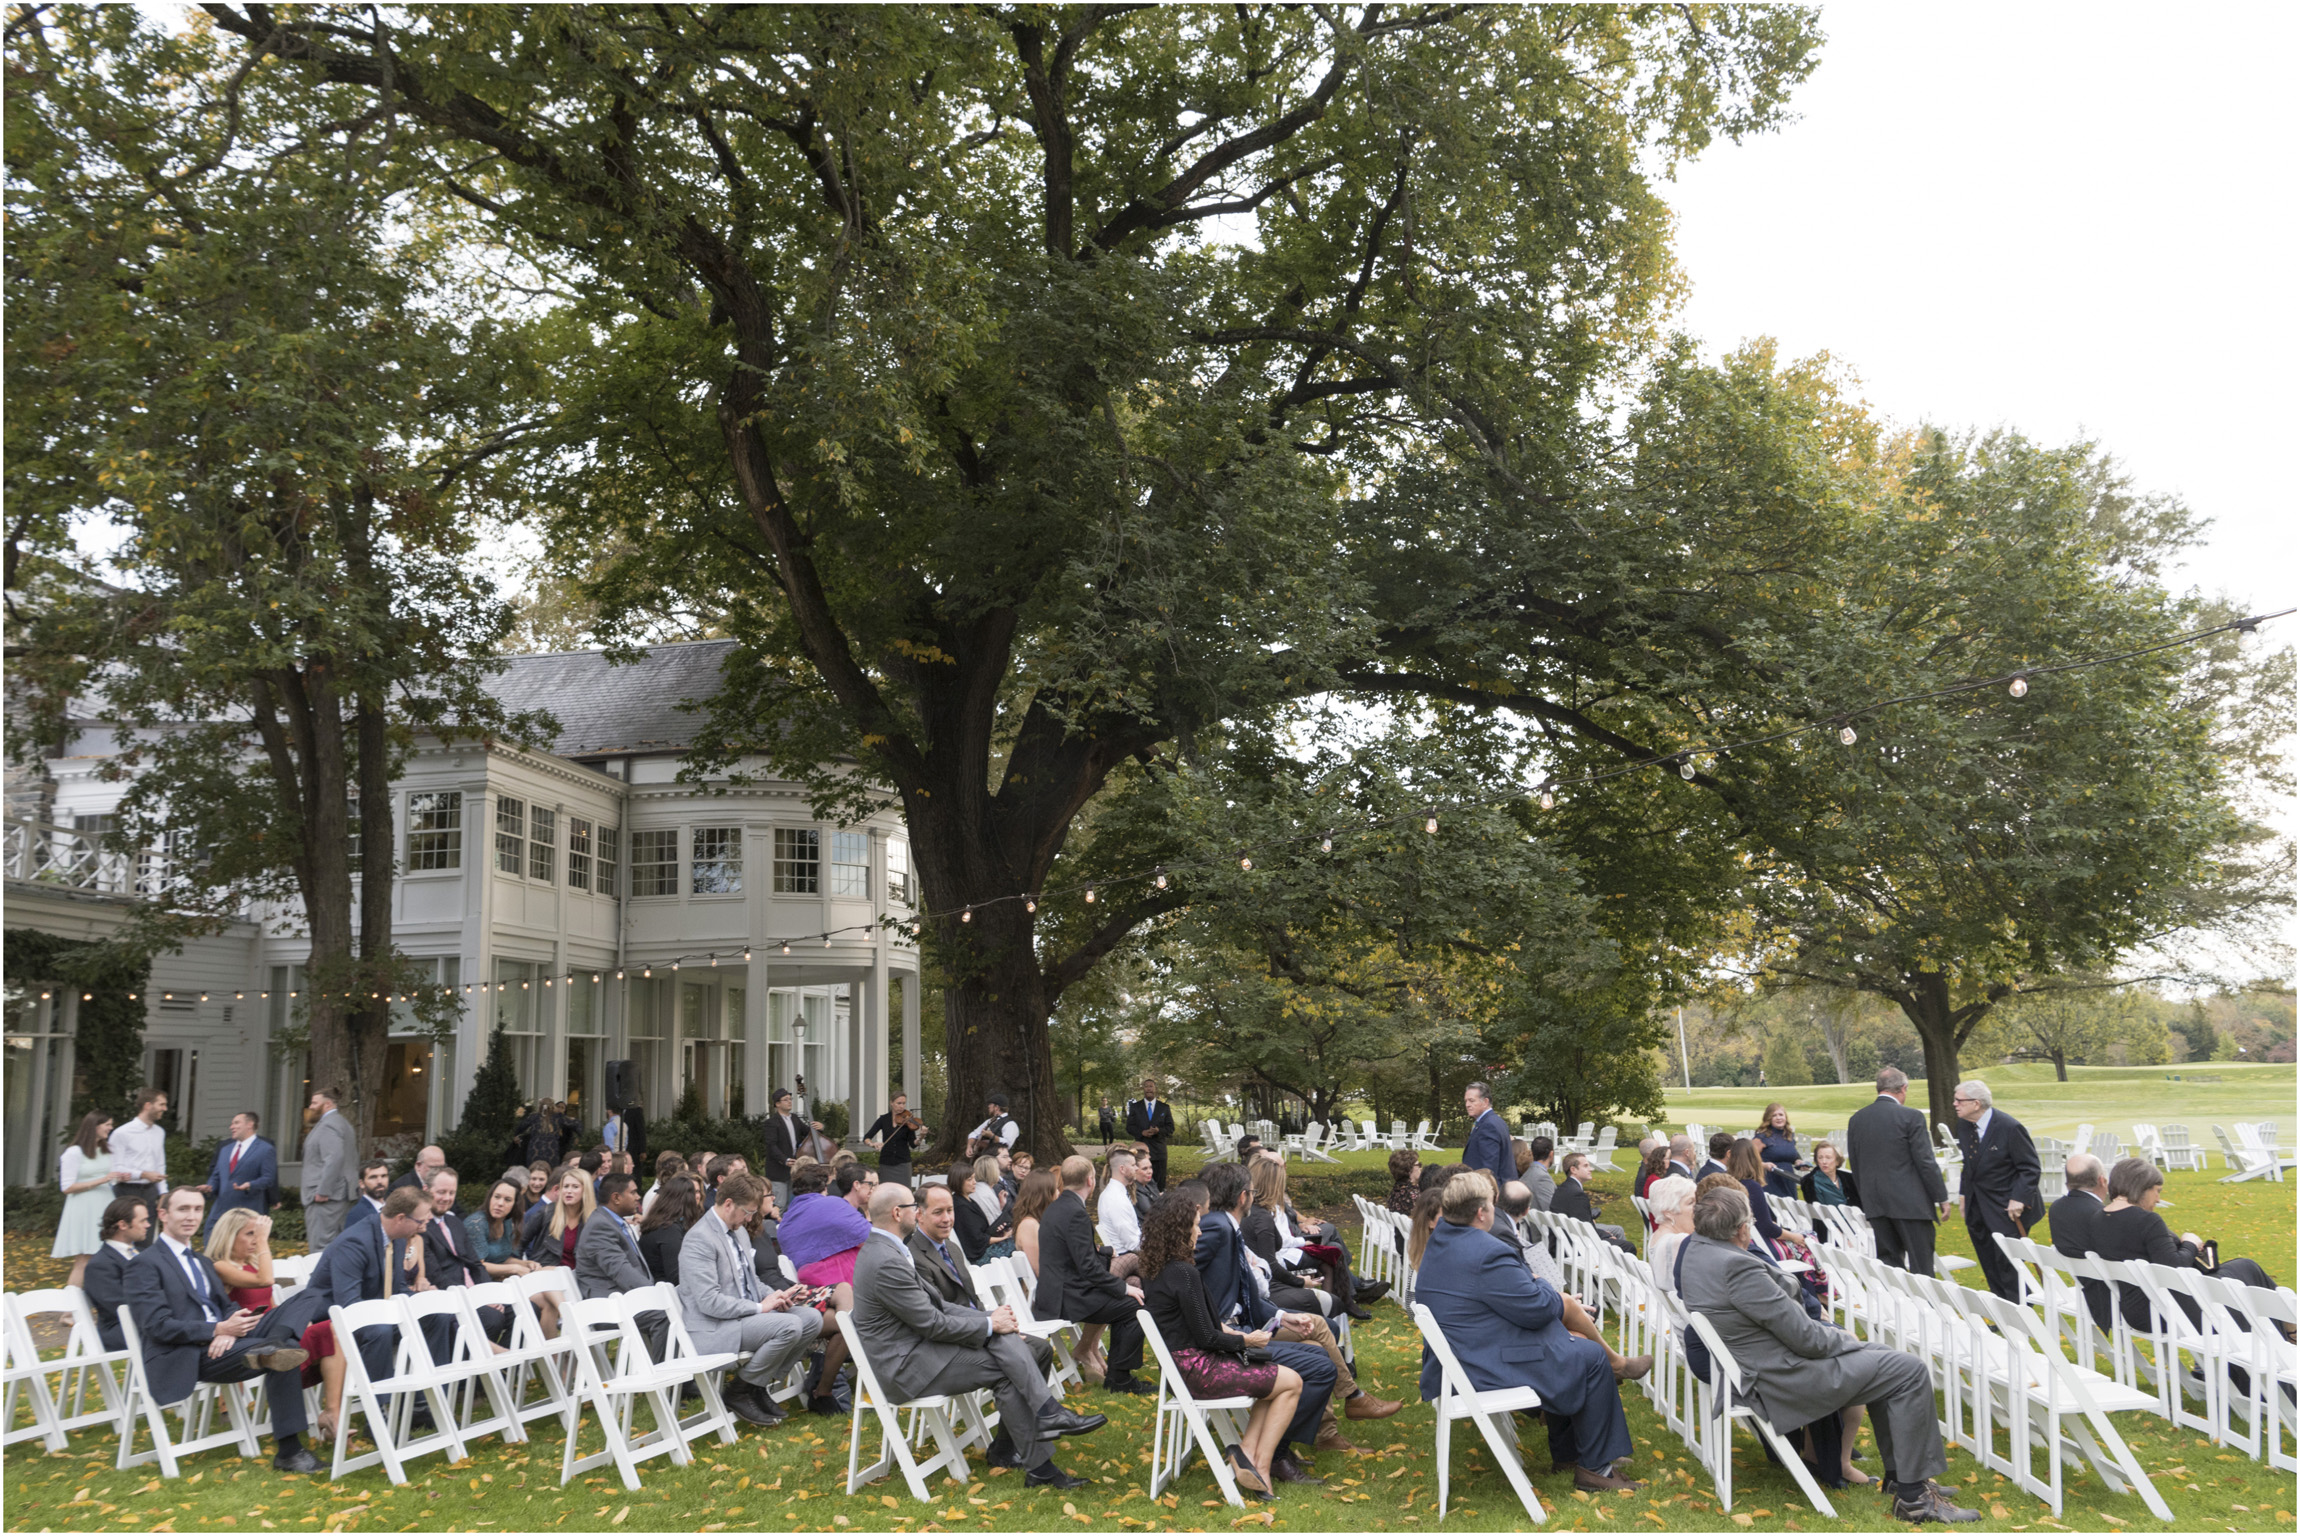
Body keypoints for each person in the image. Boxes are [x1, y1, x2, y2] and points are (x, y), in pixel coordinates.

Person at [1676, 1182, 1976, 1523]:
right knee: (1908, 1369)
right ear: (1743, 1228)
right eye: (1751, 1222)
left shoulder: (1697, 1250)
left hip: (1764, 1364)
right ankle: (1913, 1497)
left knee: (1889, 1364)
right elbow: (1808, 1339)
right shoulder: (1737, 1268)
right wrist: (1852, 1341)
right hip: (1783, 1378)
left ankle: (1903, 1478)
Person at [851, 1183, 1106, 1487]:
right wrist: (990, 1325)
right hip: (906, 1368)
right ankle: (1044, 1439)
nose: (916, 1212)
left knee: (1011, 1345)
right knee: (1008, 1364)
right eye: (913, 1207)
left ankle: (1041, 1446)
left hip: (922, 1352)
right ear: (897, 1213)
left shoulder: (890, 1249)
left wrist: (989, 1318)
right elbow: (932, 1323)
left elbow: (940, 1305)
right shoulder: (887, 1260)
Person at [1412, 1170, 1640, 1492]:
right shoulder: (1486, 1251)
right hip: (1480, 1363)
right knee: (1588, 1356)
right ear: (1481, 1212)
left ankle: (1571, 1455)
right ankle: (1596, 1469)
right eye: (1493, 1205)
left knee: (1570, 1346)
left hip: (1463, 1354)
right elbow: (1538, 1310)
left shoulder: (1441, 1241)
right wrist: (1543, 1283)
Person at [125, 1187, 321, 1473]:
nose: (192, 1216)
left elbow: (225, 1305)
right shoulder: (144, 1264)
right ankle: (290, 1452)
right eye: (183, 1209)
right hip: (190, 1353)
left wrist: (230, 1326)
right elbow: (157, 1326)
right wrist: (216, 1330)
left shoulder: (202, 1262)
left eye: (197, 1209)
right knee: (283, 1356)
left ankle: (276, 1341)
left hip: (228, 1339)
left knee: (310, 1295)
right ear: (163, 1214)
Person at [1140, 1189, 1305, 1500]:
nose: (1200, 1231)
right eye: (1195, 1224)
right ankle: (1262, 1466)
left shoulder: (1156, 1269)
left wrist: (1240, 1339)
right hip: (1199, 1370)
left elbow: (1200, 1328)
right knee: (1292, 1381)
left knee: (1275, 1380)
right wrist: (1247, 1339)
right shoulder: (1184, 1273)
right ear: (1179, 1228)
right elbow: (1207, 1337)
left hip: (1184, 1367)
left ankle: (1247, 1455)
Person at [1190, 1163, 1339, 1484]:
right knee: (1320, 1366)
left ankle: (1277, 1449)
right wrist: (1213, 1322)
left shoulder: (1225, 1225)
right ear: (1243, 1196)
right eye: (1253, 1193)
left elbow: (1244, 1287)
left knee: (1317, 1350)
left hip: (1242, 1328)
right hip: (1224, 1340)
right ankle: (1276, 1455)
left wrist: (1283, 1317)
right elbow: (1182, 1271)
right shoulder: (1217, 1227)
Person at [680, 1171, 825, 1428]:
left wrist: (773, 1295)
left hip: (744, 1317)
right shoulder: (699, 1239)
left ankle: (757, 1386)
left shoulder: (739, 1232)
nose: (750, 1218)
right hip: (714, 1327)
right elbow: (709, 1302)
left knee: (812, 1318)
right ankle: (740, 1390)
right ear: (728, 1204)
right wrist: (760, 1307)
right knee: (788, 1326)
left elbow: (749, 1280)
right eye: (747, 1212)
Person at [2093, 1155, 2283, 1337]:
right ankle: (2290, 1330)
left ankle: (2288, 1330)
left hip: (2137, 1309)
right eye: (2157, 1191)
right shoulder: (2147, 1221)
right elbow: (2175, 1268)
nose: (2158, 1199)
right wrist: (2190, 1243)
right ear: (2141, 1187)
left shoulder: (2099, 1219)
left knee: (2242, 1269)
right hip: (2164, 1308)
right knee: (2247, 1269)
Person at [209, 1208, 348, 1440]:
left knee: (331, 1328)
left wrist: (298, 1321)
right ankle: (330, 1415)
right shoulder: (221, 1266)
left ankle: (332, 1412)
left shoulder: (253, 1263)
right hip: (250, 1338)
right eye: (249, 1234)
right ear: (230, 1235)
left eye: (258, 1234)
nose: (255, 1240)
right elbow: (266, 1280)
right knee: (327, 1329)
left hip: (274, 1333)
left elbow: (273, 1307)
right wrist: (264, 1241)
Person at [1037, 1156, 1152, 1397]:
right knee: (1135, 1304)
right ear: (1090, 1180)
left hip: (1061, 1290)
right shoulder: (1075, 1212)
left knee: (1132, 1286)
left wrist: (1107, 1254)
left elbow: (1078, 1256)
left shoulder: (1057, 1207)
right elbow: (1088, 1268)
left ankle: (1115, 1371)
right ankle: (1120, 1379)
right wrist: (1122, 1289)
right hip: (1069, 1297)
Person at [1843, 1067, 1949, 1277]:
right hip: (1911, 1204)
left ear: (1878, 1088)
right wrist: (1941, 1197)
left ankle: (1897, 1308)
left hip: (1875, 1203)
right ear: (1903, 1088)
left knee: (1890, 1267)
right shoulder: (1911, 1117)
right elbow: (1925, 1161)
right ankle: (1925, 1308)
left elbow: (1855, 1164)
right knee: (1921, 1266)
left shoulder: (1857, 1119)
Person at [1947, 1080, 2041, 1302]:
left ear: (1976, 1103)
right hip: (1977, 1206)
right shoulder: (1964, 1125)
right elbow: (1970, 1165)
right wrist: (1963, 1195)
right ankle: (2002, 1312)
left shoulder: (2009, 1127)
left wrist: (2018, 1198)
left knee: (2009, 1264)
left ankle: (2021, 1315)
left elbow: (2030, 1168)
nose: (1954, 1104)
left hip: (2007, 1209)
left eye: (1959, 1100)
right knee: (1989, 1262)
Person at [577, 1172, 667, 1359]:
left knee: (676, 1307)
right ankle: (665, 1379)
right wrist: (657, 1295)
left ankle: (680, 1377)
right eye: (633, 1192)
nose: (638, 1197)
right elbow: (622, 1272)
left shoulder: (613, 1222)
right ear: (616, 1198)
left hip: (624, 1299)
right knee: (664, 1315)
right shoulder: (599, 1227)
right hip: (606, 1307)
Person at [2046, 1152, 2111, 1328]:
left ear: (2068, 1183)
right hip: (2108, 1295)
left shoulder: (2057, 1209)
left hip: (2083, 1284)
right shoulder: (2100, 1214)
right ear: (2102, 1181)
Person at [55, 1110, 121, 1284]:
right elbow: (67, 1187)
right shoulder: (74, 1153)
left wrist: (118, 1177)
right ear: (95, 1126)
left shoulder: (107, 1150)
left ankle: (97, 1303)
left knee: (104, 1258)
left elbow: (110, 1178)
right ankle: (69, 1310)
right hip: (83, 1209)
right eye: (107, 1125)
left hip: (105, 1205)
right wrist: (101, 1180)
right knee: (83, 1260)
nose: (110, 1128)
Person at [84, 1195, 152, 1351]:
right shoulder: (100, 1265)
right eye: (142, 1221)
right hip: (121, 1330)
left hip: (150, 1323)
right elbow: (120, 1307)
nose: (148, 1225)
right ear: (122, 1224)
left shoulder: (144, 1254)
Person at [197, 1110, 279, 1234]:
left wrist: (250, 1185)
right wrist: (210, 1187)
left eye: (236, 1123)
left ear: (250, 1124)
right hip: (221, 1209)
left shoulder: (265, 1149)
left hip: (248, 1209)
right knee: (211, 1244)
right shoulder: (225, 1149)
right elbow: (217, 1175)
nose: (231, 1127)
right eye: (232, 1124)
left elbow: (268, 1178)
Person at [296, 1087, 357, 1249]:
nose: (311, 1106)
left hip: (326, 1198)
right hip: (338, 1195)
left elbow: (334, 1157)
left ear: (328, 1104)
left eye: (315, 1103)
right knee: (337, 1246)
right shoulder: (343, 1124)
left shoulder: (328, 1125)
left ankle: (322, 1275)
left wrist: (323, 1190)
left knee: (320, 1247)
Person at [1727, 1138, 1807, 1257]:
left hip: (1737, 1242)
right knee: (1808, 1240)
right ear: (1754, 1159)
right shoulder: (1751, 1186)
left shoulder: (1728, 1182)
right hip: (1758, 1245)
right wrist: (1793, 1236)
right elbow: (1766, 1227)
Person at [109, 1086, 172, 1238]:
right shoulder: (122, 1133)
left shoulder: (159, 1132)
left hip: (150, 1191)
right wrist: (142, 1174)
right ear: (148, 1105)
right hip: (126, 1191)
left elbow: (160, 1164)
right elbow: (114, 1168)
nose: (165, 1108)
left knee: (146, 1236)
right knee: (124, 1236)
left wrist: (163, 1193)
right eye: (161, 1104)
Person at [1552, 1152, 1636, 1253]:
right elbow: (1585, 1229)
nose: (1590, 1169)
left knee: (1616, 1236)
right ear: (1573, 1170)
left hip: (1566, 1241)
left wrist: (1604, 1234)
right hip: (1576, 1246)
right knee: (1629, 1247)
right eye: (1585, 1166)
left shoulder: (1563, 1188)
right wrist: (1606, 1235)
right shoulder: (1577, 1195)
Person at [527, 1166, 597, 1268]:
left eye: (575, 1187)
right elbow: (520, 1242)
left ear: (586, 1190)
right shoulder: (546, 1212)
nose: (569, 1191)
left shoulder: (595, 1219)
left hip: (579, 1278)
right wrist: (527, 1265)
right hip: (548, 1275)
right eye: (565, 1186)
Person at [638, 1173, 701, 1284]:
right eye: (693, 1193)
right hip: (664, 1294)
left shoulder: (664, 1223)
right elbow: (676, 1276)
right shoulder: (668, 1229)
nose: (697, 1197)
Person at [950, 1160, 1014, 1262]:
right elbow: (978, 1240)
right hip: (979, 1256)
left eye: (974, 1178)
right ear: (959, 1181)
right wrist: (1004, 1237)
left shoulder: (968, 1201)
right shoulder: (961, 1206)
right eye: (970, 1179)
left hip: (983, 1249)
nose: (974, 1182)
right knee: (1016, 1245)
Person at [1098, 1149, 1146, 1282]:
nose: (1137, 1168)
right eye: (1133, 1165)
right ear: (1122, 1169)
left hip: (1127, 1256)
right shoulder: (1116, 1198)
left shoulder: (1115, 1193)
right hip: (1125, 1257)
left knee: (1135, 1283)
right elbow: (1132, 1243)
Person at [863, 1093, 929, 1190]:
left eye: (904, 1103)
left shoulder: (908, 1121)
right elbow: (867, 1137)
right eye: (899, 1103)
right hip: (886, 1163)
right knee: (886, 1192)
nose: (902, 1106)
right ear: (891, 1103)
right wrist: (872, 1144)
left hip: (903, 1163)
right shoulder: (883, 1119)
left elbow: (913, 1144)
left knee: (904, 1192)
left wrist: (921, 1137)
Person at [763, 1088, 813, 1206]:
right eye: (786, 1100)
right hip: (778, 1170)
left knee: (792, 1204)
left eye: (790, 1099)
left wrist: (819, 1127)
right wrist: (785, 1160)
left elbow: (808, 1133)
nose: (789, 1102)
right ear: (777, 1104)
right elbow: (771, 1145)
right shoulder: (771, 1122)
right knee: (779, 1205)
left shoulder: (795, 1118)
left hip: (795, 1168)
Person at [1122, 1079, 1175, 1190]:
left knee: (1160, 1184)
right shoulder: (1135, 1107)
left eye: (1151, 1086)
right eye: (1146, 1086)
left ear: (1155, 1089)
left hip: (1159, 1151)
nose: (1149, 1088)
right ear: (1143, 1089)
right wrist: (1141, 1132)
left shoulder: (1164, 1108)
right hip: (1141, 1151)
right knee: (1141, 1184)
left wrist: (1158, 1131)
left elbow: (1171, 1128)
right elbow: (1129, 1127)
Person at [1461, 1080, 1513, 1189]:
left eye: (1471, 1101)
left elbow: (1488, 1168)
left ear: (1485, 1102)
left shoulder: (1488, 1125)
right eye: (1466, 1101)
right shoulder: (1494, 1121)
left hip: (1489, 1190)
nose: (1467, 1105)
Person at [1754, 1103, 1803, 1197]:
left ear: (1785, 1117)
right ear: (1768, 1118)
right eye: (1774, 1115)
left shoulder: (1789, 1135)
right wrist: (1764, 1165)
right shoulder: (1762, 1137)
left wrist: (1798, 1161)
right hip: (1770, 1181)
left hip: (1788, 1180)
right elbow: (1747, 1159)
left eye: (1781, 1115)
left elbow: (1792, 1155)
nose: (1778, 1118)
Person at [1799, 1140, 1858, 1210]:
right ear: (1817, 1161)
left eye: (1828, 1157)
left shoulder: (1848, 1178)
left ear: (1837, 1161)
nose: (1824, 1162)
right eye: (1820, 1158)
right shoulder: (1811, 1182)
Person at [343, 1160, 392, 1232]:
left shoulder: (393, 1208)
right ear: (362, 1183)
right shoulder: (357, 1214)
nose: (380, 1181)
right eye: (373, 1177)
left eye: (383, 1176)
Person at [968, 1090, 1023, 1155]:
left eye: (990, 1104)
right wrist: (969, 1146)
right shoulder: (990, 1121)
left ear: (997, 1107)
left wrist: (992, 1136)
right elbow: (974, 1133)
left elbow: (1007, 1144)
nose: (988, 1106)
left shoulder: (1010, 1124)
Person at [1524, 1135, 1557, 1211]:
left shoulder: (1527, 1173)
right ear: (1551, 1154)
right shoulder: (1542, 1178)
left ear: (1532, 1153)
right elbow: (1550, 1208)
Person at [1386, 1147, 1421, 1215]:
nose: (1420, 1168)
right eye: (1418, 1165)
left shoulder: (1398, 1188)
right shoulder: (1410, 1194)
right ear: (1409, 1170)